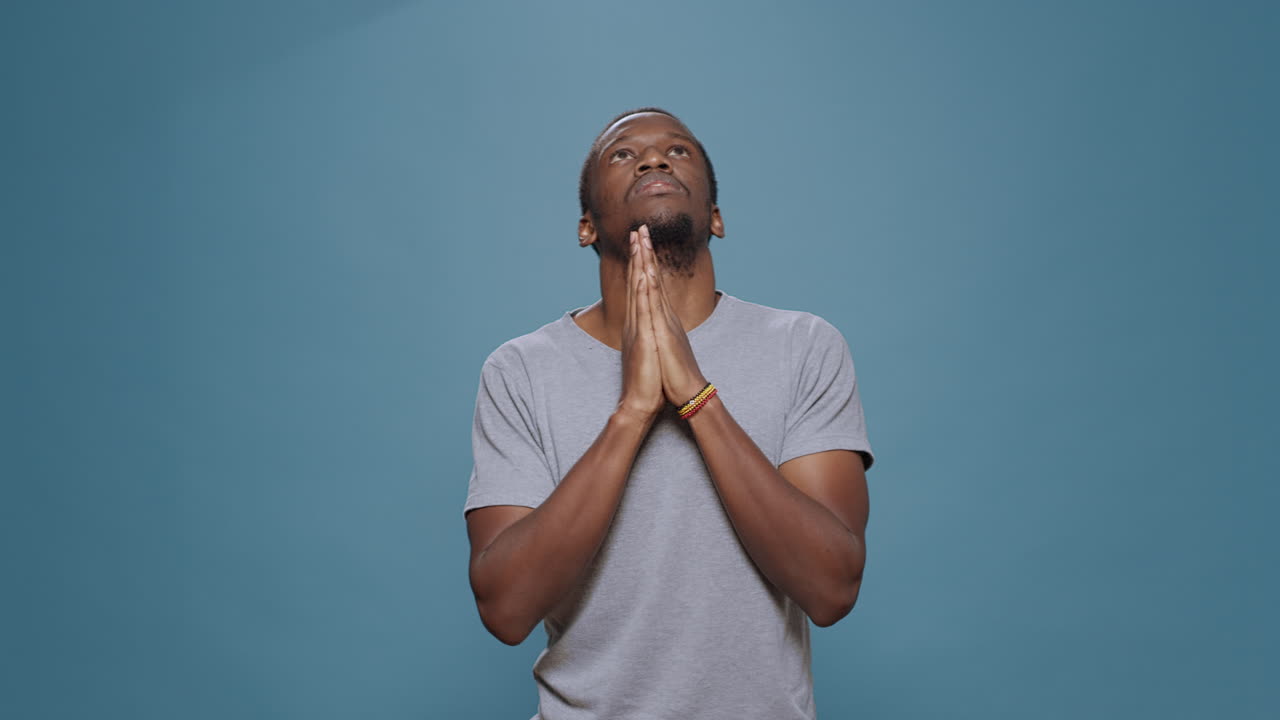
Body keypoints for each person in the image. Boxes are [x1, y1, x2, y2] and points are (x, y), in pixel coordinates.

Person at [464, 107, 875, 720]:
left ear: (716, 217)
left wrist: (696, 397)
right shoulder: (520, 370)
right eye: (623, 154)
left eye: (678, 152)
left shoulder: (804, 346)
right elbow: (506, 608)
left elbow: (831, 587)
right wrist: (631, 412)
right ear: (585, 227)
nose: (655, 158)